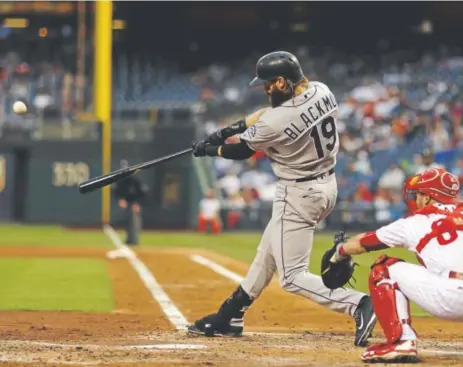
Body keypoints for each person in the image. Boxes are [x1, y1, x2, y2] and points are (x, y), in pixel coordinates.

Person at [189, 51, 376, 346]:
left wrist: (210, 149)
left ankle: (358, 303)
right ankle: (231, 315)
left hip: (298, 193)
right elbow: (269, 114)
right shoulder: (322, 90)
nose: (265, 89)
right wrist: (230, 129)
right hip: (326, 185)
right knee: (267, 252)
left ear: (281, 81)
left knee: (291, 277)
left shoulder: (277, 120)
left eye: (267, 84)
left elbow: (243, 151)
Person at [328, 167, 463, 363]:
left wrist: (338, 252)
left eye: (418, 194)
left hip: (452, 297)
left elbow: (363, 243)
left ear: (427, 198)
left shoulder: (416, 221)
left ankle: (402, 341)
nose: (416, 199)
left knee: (384, 268)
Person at [113, 160, 148, 245]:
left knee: (134, 222)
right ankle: (129, 239)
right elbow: (117, 192)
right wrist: (121, 199)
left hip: (134, 204)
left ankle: (134, 240)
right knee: (127, 222)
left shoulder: (134, 180)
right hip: (128, 204)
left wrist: (138, 203)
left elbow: (142, 193)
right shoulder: (120, 181)